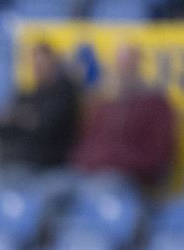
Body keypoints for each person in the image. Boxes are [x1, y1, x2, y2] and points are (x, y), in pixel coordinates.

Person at [71, 44, 176, 190]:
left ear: (139, 65)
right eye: (120, 64)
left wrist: (115, 160)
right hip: (88, 172)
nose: (123, 70)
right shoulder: (105, 103)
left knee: (90, 192)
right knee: (53, 190)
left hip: (126, 177)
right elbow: (88, 142)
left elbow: (156, 157)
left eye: (128, 64)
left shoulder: (155, 104)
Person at [0, 43, 80, 171]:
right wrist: (21, 118)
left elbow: (45, 127)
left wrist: (17, 117)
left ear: (54, 65)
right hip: (14, 161)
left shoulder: (64, 94)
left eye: (44, 64)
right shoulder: (27, 95)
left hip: (46, 165)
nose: (40, 69)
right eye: (37, 65)